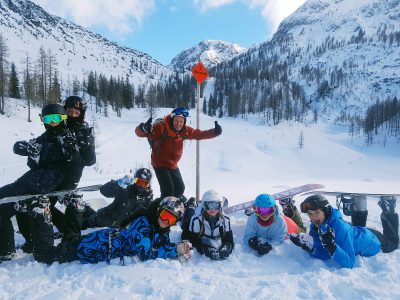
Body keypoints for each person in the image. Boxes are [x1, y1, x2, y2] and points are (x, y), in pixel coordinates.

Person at [0, 103, 78, 261]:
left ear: (63, 118)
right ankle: (7, 248)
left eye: (56, 118)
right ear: (43, 120)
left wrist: (70, 152)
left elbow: (75, 161)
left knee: (9, 204)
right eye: (48, 119)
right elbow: (22, 150)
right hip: (31, 180)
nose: (53, 122)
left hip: (44, 184)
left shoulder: (67, 137)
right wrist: (28, 149)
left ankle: (9, 249)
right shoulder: (45, 137)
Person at [28, 195, 191, 264]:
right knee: (45, 256)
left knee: (70, 241)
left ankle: (73, 209)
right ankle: (41, 215)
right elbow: (145, 254)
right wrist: (174, 251)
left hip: (104, 241)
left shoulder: (158, 227)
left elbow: (161, 243)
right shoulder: (143, 223)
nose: (164, 220)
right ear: (158, 210)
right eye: (163, 214)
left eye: (170, 219)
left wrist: (178, 247)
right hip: (95, 247)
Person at [289, 194, 399, 268]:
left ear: (325, 211)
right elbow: (324, 252)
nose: (313, 217)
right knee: (354, 229)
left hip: (374, 241)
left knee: (393, 242)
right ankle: (359, 203)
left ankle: (389, 209)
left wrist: (332, 246)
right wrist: (309, 248)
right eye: (310, 214)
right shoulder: (315, 226)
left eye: (317, 212)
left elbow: (350, 263)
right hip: (360, 233)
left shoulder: (339, 227)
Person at [135, 107, 222, 199]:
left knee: (180, 188)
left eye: (181, 121)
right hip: (159, 163)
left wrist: (215, 132)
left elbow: (199, 134)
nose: (179, 124)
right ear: (172, 119)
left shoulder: (185, 131)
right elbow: (140, 133)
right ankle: (161, 208)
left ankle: (172, 206)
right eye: (177, 121)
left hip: (172, 165)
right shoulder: (161, 128)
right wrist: (142, 128)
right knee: (168, 189)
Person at [47, 95, 96, 242]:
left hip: (70, 178)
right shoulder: (58, 124)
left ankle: (76, 230)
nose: (73, 115)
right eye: (70, 111)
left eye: (77, 112)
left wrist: (85, 145)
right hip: (50, 176)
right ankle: (65, 226)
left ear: (81, 114)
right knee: (44, 204)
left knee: (65, 202)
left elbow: (91, 160)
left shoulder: (84, 130)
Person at [80, 168, 154, 232]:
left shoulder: (148, 201)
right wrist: (117, 184)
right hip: (100, 221)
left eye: (144, 183)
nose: (141, 185)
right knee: (78, 227)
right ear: (134, 180)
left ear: (148, 184)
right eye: (139, 181)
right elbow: (104, 191)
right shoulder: (125, 188)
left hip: (118, 232)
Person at [182, 189, 233, 260]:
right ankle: (191, 205)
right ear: (204, 205)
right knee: (186, 222)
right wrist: (205, 249)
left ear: (220, 205)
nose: (212, 209)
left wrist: (227, 247)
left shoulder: (225, 220)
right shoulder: (196, 220)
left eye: (215, 205)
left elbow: (229, 240)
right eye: (208, 205)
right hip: (197, 214)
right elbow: (193, 239)